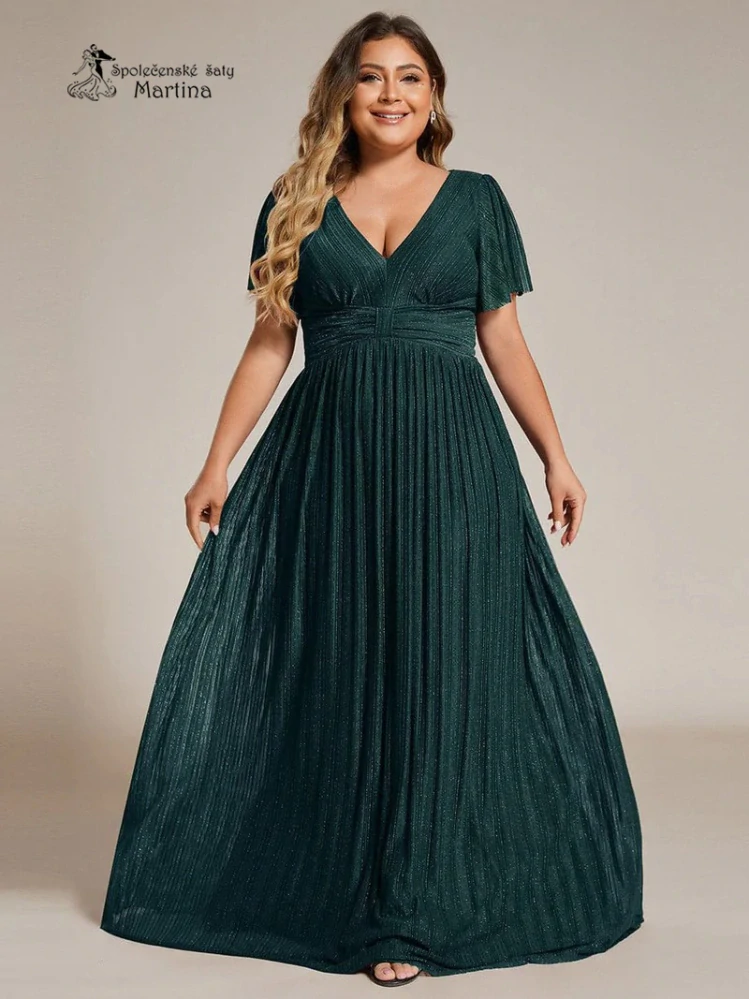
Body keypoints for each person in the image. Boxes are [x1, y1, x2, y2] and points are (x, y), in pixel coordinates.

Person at [99, 11, 644, 988]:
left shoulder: (476, 200)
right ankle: (354, 889)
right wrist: (215, 462)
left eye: (410, 77)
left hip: (453, 461)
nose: (391, 93)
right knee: (343, 660)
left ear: (433, 96)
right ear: (341, 94)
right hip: (329, 463)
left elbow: (503, 340)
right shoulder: (294, 200)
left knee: (442, 661)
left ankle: (411, 904)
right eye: (370, 76)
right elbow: (270, 341)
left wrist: (555, 457)